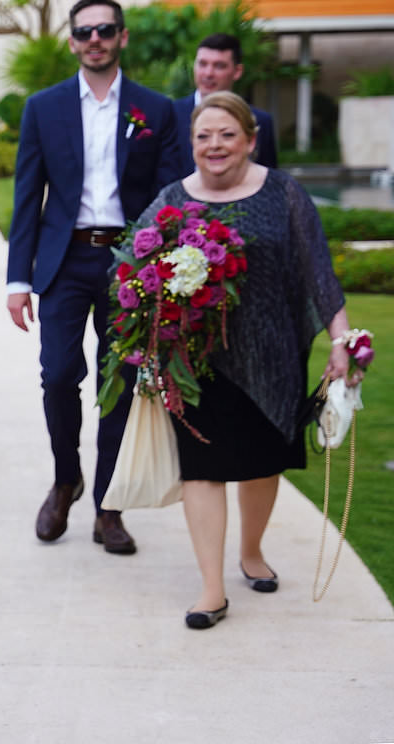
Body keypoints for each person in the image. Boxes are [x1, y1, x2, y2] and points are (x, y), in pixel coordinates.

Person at [138, 91, 359, 629]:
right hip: (196, 361)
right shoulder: (171, 198)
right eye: (203, 136)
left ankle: (252, 550)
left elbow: (318, 272)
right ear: (191, 143)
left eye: (226, 135)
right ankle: (211, 589)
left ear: (250, 139)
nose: (214, 146)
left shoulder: (284, 193)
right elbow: (136, 271)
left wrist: (340, 339)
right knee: (204, 469)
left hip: (274, 355)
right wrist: (147, 340)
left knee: (262, 464)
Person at [6, 0, 182, 554]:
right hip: (65, 260)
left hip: (131, 265)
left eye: (105, 29)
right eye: (84, 32)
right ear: (73, 40)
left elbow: (171, 194)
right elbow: (27, 194)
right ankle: (66, 479)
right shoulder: (44, 107)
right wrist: (17, 279)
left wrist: (165, 268)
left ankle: (109, 505)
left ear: (122, 36)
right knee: (58, 375)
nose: (95, 39)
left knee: (121, 386)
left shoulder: (157, 110)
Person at [173, 33, 278, 173]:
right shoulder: (170, 114)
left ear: (237, 71)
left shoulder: (260, 121)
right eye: (202, 64)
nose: (208, 73)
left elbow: (269, 181)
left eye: (219, 66)